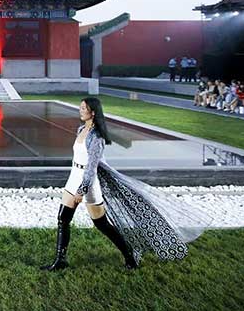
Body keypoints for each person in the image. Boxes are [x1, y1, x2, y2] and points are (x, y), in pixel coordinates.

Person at [41, 97, 213, 271]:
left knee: (101, 224)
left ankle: (129, 254)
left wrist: (82, 189)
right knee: (63, 218)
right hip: (74, 176)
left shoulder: (97, 137)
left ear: (93, 112)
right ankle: (60, 260)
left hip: (88, 183)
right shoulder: (81, 129)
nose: (80, 110)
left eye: (84, 108)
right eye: (80, 107)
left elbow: (92, 167)